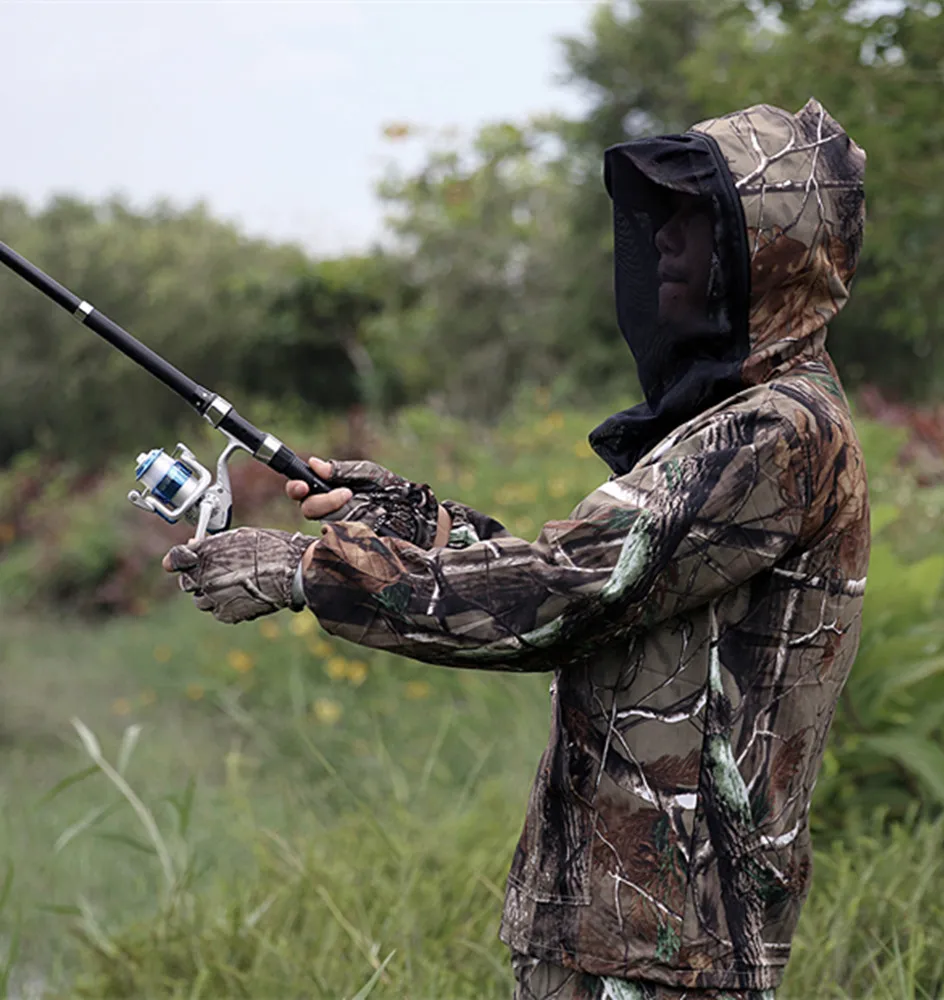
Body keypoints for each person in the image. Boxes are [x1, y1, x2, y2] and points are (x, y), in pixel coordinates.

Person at [163, 98, 869, 999]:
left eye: (695, 221)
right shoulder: (732, 423)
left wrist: (301, 571)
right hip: (615, 932)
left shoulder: (779, 433)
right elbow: (593, 578)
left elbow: (567, 596)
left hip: (673, 949)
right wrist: (417, 521)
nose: (663, 244)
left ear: (764, 250)